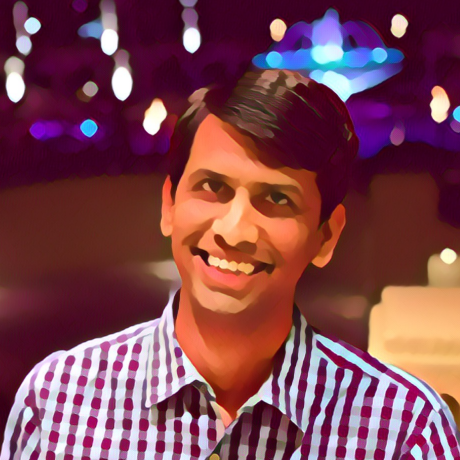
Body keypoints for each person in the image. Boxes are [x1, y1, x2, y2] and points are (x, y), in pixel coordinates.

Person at [2, 68, 459, 460]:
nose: (235, 230)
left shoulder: (404, 430)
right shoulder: (58, 403)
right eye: (212, 187)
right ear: (169, 204)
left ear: (326, 236)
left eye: (276, 198)